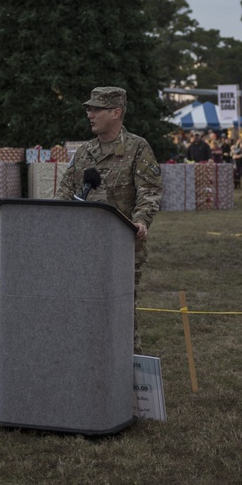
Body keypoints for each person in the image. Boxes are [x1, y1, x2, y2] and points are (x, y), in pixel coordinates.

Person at [55, 87, 162, 353]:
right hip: (83, 246)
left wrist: (141, 221)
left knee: (121, 311)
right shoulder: (84, 152)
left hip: (122, 246)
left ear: (116, 113)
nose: (90, 114)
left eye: (96, 109)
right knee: (83, 307)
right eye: (89, 109)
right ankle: (86, 360)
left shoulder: (137, 148)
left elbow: (149, 191)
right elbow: (66, 190)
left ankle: (127, 369)